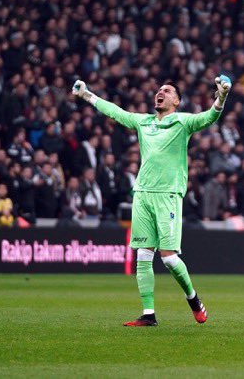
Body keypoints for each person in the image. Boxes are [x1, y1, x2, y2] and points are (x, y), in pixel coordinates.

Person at [72, 75, 231, 326]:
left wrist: (221, 96)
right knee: (143, 256)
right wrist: (87, 95)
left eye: (167, 91)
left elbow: (209, 117)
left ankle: (193, 299)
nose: (161, 92)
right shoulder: (143, 122)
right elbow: (115, 112)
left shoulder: (183, 122)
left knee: (168, 258)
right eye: (159, 90)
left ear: (176, 101)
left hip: (168, 195)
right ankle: (148, 314)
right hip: (143, 193)